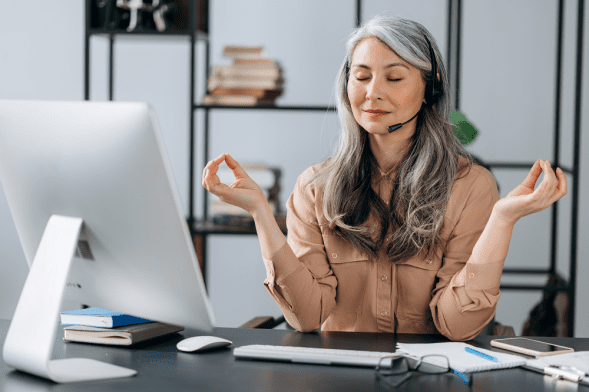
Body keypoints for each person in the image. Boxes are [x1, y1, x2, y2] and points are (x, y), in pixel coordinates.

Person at [202, 15, 567, 341]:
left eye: (394, 77)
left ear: (431, 87)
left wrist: (503, 220)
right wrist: (260, 214)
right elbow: (306, 317)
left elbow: (458, 326)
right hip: (337, 378)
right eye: (361, 76)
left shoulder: (471, 186)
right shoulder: (314, 187)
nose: (373, 92)